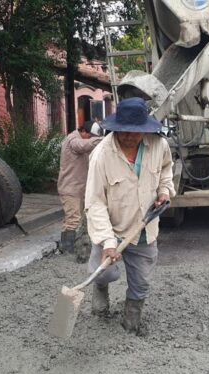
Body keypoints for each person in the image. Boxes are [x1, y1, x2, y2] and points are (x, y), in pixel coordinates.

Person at [85, 97, 175, 335]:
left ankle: (130, 323)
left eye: (135, 131)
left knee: (142, 281)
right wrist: (108, 241)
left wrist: (164, 191)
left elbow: (166, 169)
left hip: (144, 228)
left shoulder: (158, 145)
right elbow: (95, 203)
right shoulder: (101, 155)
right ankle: (100, 296)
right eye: (123, 131)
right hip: (111, 228)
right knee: (103, 271)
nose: (128, 136)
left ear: (145, 128)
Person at [57, 120, 103, 253]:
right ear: (83, 131)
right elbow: (83, 146)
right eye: (90, 136)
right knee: (72, 219)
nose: (91, 139)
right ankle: (67, 250)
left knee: (79, 218)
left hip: (79, 188)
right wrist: (104, 139)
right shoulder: (73, 140)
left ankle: (72, 247)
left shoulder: (81, 138)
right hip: (70, 188)